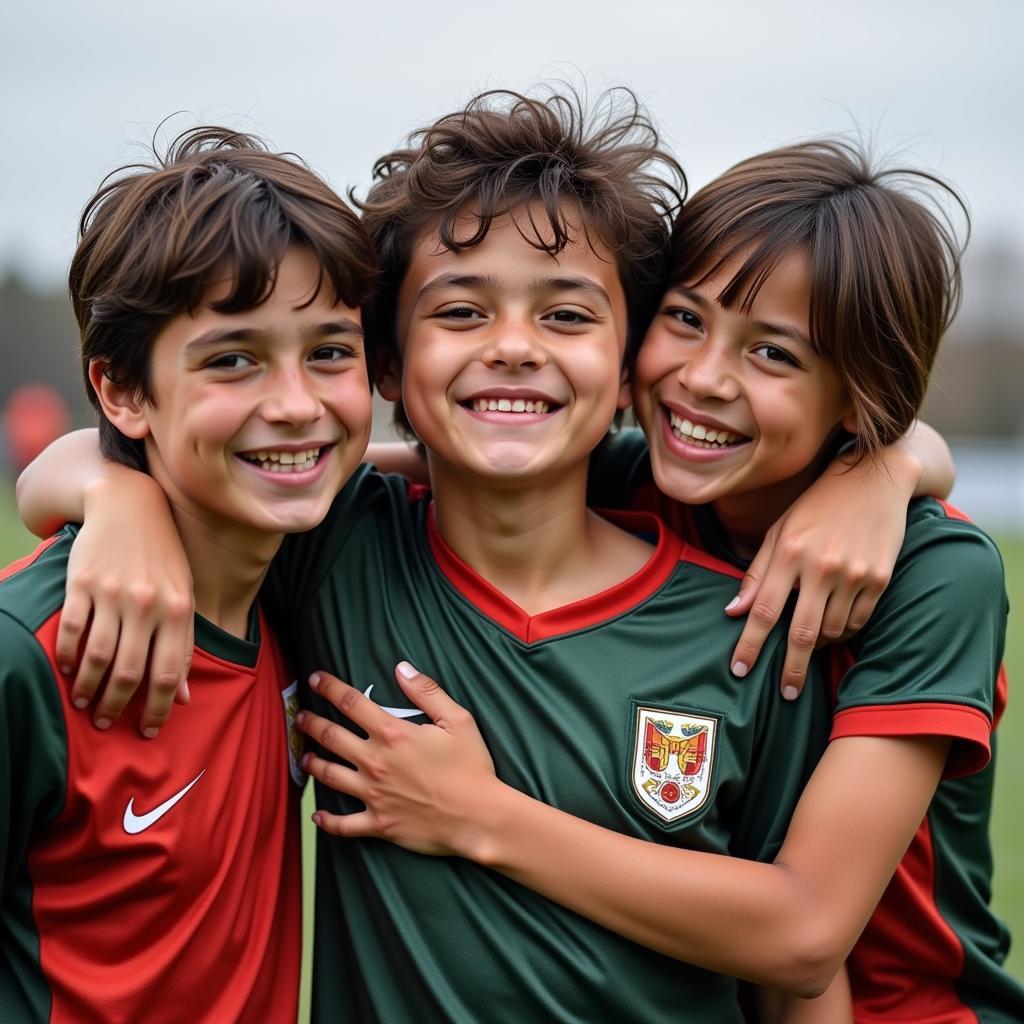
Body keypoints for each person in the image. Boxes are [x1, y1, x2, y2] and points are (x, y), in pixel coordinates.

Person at [17, 91, 955, 1022]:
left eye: (567, 317)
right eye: (461, 313)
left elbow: (798, 974)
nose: (512, 348)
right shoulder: (331, 550)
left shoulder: (751, 622)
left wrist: (891, 464)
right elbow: (188, 466)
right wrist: (117, 491)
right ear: (387, 364)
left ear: (630, 363)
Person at [299, 139, 1024, 1023]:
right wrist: (119, 491)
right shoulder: (637, 476)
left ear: (860, 398)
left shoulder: (929, 569)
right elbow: (455, 445)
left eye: (777, 356)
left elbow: (803, 935)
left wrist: (475, 813)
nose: (703, 377)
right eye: (686, 320)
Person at [0, 126, 377, 1022]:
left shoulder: (306, 572)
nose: (296, 406)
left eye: (329, 351)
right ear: (122, 393)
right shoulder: (30, 655)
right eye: (233, 360)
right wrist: (108, 489)